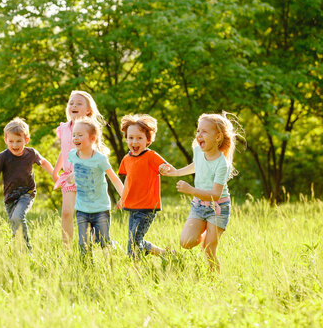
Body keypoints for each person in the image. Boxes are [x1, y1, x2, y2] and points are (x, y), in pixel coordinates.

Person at [160, 112, 241, 271]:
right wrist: (174, 172)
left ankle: (215, 281)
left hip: (218, 209)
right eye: (198, 131)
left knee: (209, 251)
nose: (199, 135)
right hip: (199, 207)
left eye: (204, 131)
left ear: (218, 137)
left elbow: (216, 194)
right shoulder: (198, 151)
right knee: (185, 242)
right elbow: (196, 166)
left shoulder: (222, 164)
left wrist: (190, 190)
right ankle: (206, 233)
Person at [0, 118, 54, 250]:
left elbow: (44, 163)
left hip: (26, 193)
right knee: (15, 226)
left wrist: (55, 175)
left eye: (19, 141)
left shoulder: (31, 153)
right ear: (5, 140)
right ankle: (19, 252)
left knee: (18, 216)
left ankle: (28, 250)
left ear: (26, 140)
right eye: (11, 141)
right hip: (9, 197)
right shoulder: (3, 157)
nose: (15, 145)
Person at [53, 90, 105, 246]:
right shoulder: (63, 128)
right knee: (67, 212)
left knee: (90, 215)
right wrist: (56, 170)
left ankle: (97, 242)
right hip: (69, 176)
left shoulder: (90, 128)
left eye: (79, 103)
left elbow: (94, 152)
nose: (73, 105)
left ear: (88, 109)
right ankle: (67, 250)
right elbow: (65, 151)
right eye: (71, 103)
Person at [67, 117, 124, 256]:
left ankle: (113, 247)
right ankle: (87, 269)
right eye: (74, 134)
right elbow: (72, 174)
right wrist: (71, 178)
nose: (75, 138)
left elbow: (114, 179)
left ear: (92, 139)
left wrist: (124, 197)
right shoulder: (73, 155)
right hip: (82, 209)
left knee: (103, 242)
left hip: (101, 209)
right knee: (84, 244)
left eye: (80, 135)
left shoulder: (100, 159)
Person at [118, 114, 170, 260]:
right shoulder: (127, 159)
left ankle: (135, 272)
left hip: (147, 207)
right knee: (134, 239)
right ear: (126, 138)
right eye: (131, 138)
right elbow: (129, 180)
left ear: (148, 140)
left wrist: (163, 168)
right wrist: (123, 198)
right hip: (132, 207)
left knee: (134, 242)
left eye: (139, 138)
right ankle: (165, 254)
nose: (134, 141)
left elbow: (164, 166)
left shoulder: (151, 156)